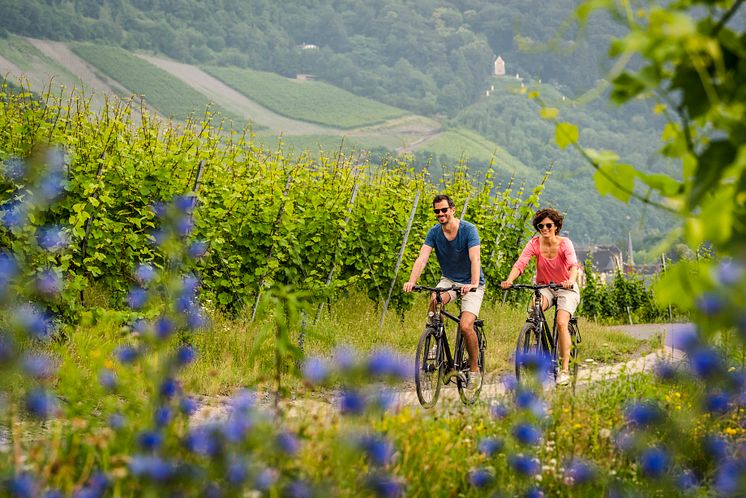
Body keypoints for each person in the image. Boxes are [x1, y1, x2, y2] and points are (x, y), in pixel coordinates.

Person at [403, 194, 485, 391]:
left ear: (452, 210)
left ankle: (474, 370)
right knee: (435, 298)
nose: (440, 214)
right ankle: (435, 338)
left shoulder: (468, 230)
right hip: (449, 279)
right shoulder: (434, 233)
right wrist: (412, 281)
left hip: (472, 282)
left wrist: (473, 284)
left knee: (466, 326)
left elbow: (475, 259)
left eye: (444, 210)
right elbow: (422, 258)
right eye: (437, 211)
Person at [500, 207, 579, 386]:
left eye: (548, 225)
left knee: (561, 322)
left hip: (566, 287)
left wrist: (570, 281)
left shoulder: (565, 243)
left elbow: (574, 265)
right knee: (533, 310)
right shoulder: (534, 243)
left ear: (556, 226)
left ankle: (564, 370)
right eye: (540, 226)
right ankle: (536, 344)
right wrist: (509, 280)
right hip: (545, 288)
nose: (544, 229)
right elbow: (521, 264)